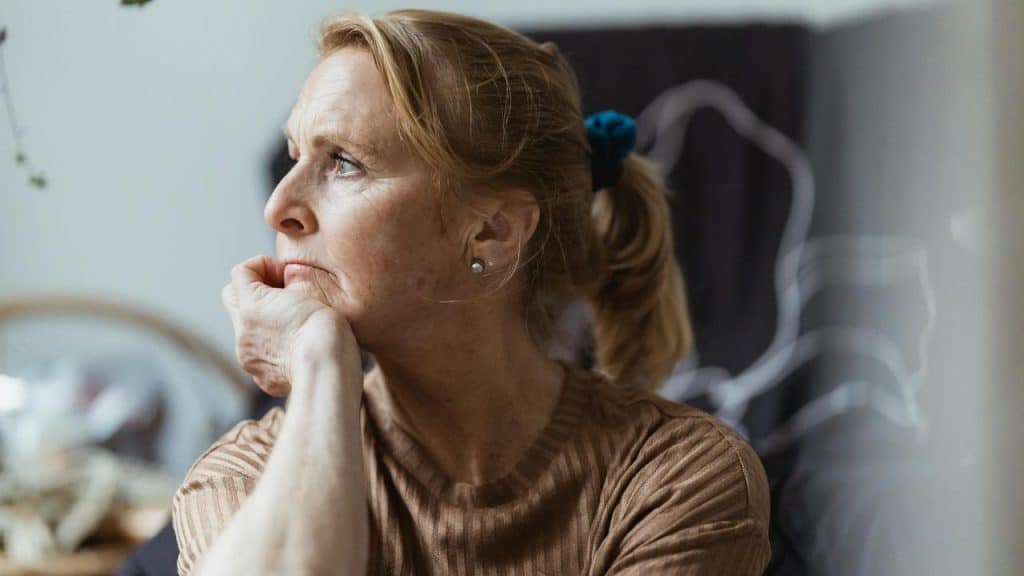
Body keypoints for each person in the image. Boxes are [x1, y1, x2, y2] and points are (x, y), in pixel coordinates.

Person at [171, 9, 771, 575]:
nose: (279, 207)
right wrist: (322, 361)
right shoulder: (241, 479)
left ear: (491, 231)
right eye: (297, 155)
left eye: (345, 162)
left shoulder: (678, 479)